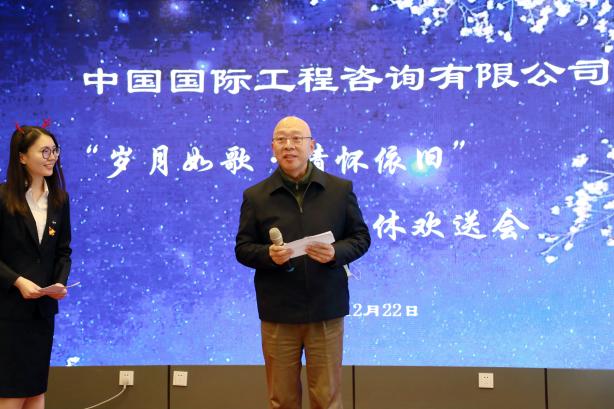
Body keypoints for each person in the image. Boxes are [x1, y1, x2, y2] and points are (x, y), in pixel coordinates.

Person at [235, 116, 370, 409]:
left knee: (327, 399)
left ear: (312, 145)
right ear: (273, 147)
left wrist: (335, 253)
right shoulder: (256, 196)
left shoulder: (339, 190)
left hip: (325, 308)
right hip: (278, 311)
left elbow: (361, 238)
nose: (289, 145)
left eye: (297, 139)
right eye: (281, 139)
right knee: (282, 399)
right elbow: (243, 249)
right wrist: (268, 256)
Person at [0, 124, 72, 409]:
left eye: (54, 150)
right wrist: (17, 281)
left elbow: (63, 251)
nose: (51, 157)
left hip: (42, 313)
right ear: (21, 157)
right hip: (8, 312)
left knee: (36, 392)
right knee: (12, 394)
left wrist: (59, 283)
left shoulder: (59, 200)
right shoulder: (3, 198)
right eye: (44, 151)